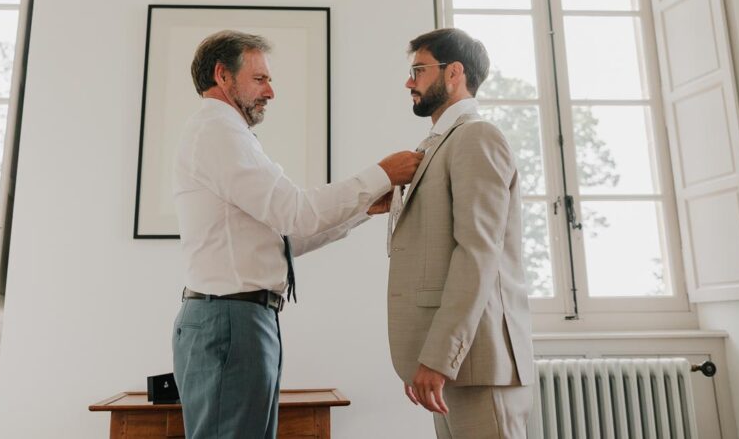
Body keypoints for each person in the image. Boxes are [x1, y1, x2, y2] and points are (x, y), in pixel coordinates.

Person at [172, 30, 421, 439]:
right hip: (231, 322)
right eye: (260, 79)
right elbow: (297, 213)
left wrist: (363, 209)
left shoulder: (228, 135)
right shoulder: (217, 133)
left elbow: (282, 238)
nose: (271, 91)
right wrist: (381, 174)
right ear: (222, 75)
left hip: (243, 320)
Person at [386, 28, 534, 439]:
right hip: (455, 368)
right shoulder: (440, 143)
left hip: (477, 363)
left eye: (418, 69)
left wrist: (438, 357)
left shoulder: (476, 136)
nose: (409, 82)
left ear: (454, 73)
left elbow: (477, 255)